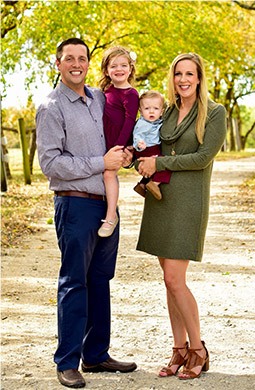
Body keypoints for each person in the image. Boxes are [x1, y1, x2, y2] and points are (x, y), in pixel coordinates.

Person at [36, 38, 137, 389]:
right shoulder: (51, 106)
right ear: (58, 63)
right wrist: (100, 163)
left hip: (105, 205)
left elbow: (116, 137)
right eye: (69, 58)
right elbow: (50, 164)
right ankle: (67, 361)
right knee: (74, 281)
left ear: (88, 63)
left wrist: (122, 156)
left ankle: (95, 354)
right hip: (75, 203)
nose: (76, 63)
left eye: (82, 58)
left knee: (100, 281)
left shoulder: (98, 97)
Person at [135, 53, 227, 380]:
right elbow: (151, 145)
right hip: (161, 200)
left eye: (189, 74)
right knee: (169, 281)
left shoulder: (214, 112)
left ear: (200, 77)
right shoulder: (168, 112)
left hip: (188, 201)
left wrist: (158, 165)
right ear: (172, 78)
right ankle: (179, 348)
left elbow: (203, 158)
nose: (183, 79)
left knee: (175, 279)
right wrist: (141, 158)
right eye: (178, 74)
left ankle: (198, 349)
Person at [97, 46, 139, 237]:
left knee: (108, 174)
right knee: (99, 175)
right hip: (103, 141)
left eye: (123, 65)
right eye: (114, 66)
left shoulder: (131, 94)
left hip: (118, 142)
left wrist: (120, 146)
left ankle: (111, 216)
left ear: (130, 69)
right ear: (106, 70)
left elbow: (130, 120)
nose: (119, 69)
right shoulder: (106, 90)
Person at [133, 90, 171, 200]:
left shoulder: (156, 121)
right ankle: (154, 183)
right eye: (147, 108)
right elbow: (137, 135)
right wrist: (139, 144)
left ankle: (142, 185)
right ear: (140, 111)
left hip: (152, 147)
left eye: (155, 109)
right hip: (147, 148)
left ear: (161, 111)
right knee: (163, 164)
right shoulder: (142, 123)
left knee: (152, 169)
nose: (151, 112)